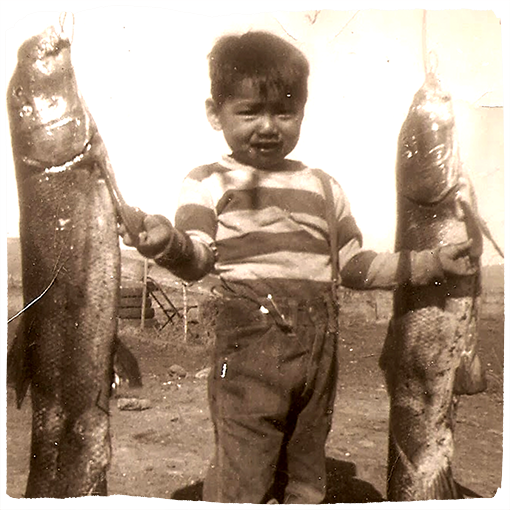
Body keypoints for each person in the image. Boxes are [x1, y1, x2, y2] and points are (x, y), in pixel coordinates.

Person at [119, 31, 475, 504]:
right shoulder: (207, 182)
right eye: (249, 112)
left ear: (302, 114)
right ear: (214, 113)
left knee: (306, 480)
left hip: (318, 360)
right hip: (248, 358)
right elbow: (199, 257)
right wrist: (165, 243)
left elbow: (354, 266)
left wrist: (428, 261)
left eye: (284, 112)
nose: (268, 126)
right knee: (243, 476)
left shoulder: (325, 187)